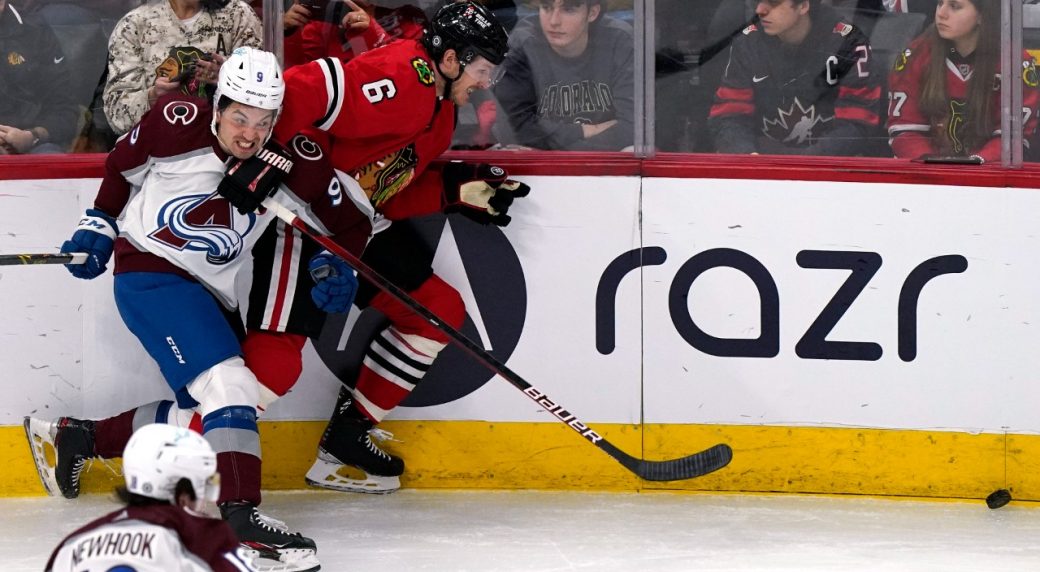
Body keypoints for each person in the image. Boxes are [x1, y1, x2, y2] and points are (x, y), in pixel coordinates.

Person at [25, 46, 370, 570]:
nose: (250, 134)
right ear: (219, 104)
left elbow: (350, 225)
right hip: (150, 272)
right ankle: (239, 524)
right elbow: (121, 168)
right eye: (239, 118)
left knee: (217, 407)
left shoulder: (292, 161)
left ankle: (79, 438)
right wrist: (99, 222)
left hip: (214, 294)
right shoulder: (175, 121)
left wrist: (336, 264)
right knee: (229, 385)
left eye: (263, 121)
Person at [265, 0, 528, 494]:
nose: (485, 82)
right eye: (481, 70)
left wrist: (451, 191)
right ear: (449, 60)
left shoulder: (442, 110)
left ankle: (347, 438)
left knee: (437, 312)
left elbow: (387, 187)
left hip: (353, 226)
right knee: (270, 367)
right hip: (302, 218)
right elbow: (301, 89)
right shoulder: (405, 75)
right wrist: (263, 167)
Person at [45, 423, 257, 572]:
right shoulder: (206, 540)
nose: (205, 499)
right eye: (202, 485)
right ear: (182, 493)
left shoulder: (72, 546)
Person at [708, 0, 883, 156]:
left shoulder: (848, 44)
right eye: (758, 1)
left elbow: (858, 123)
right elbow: (729, 114)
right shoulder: (748, 43)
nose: (760, 10)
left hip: (830, 168)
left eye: (773, 2)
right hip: (762, 163)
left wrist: (808, 163)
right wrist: (746, 155)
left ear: (803, 6)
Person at [887, 0, 1039, 162]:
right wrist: (933, 166)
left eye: (955, 6)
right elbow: (905, 132)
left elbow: (1012, 138)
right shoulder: (915, 55)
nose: (941, 13)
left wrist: (974, 165)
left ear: (981, 16)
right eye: (940, 3)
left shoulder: (1015, 62)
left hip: (989, 174)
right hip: (928, 173)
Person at [103, 0, 263, 135]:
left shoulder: (238, 16)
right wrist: (153, 97)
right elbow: (117, 115)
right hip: (158, 153)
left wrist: (228, 78)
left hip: (224, 150)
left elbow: (264, 99)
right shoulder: (134, 26)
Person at [493, 0, 634, 150]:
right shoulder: (523, 44)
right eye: (546, 7)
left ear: (592, 13)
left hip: (600, 162)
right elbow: (514, 129)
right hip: (550, 162)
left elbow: (634, 128)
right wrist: (588, 130)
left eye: (568, 10)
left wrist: (550, 150)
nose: (554, 21)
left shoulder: (620, 39)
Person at [0, 0, 78, 154]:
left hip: (30, 143)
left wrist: (32, 136)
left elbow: (65, 110)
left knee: (51, 157)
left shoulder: (36, 31)